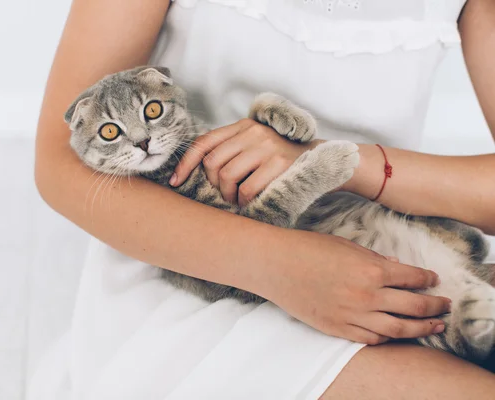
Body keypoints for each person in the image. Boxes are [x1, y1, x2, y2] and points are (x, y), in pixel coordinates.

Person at [34, 0, 495, 398]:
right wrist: (282, 266)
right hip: (194, 278)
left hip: (374, 244)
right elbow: (60, 166)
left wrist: (360, 165)